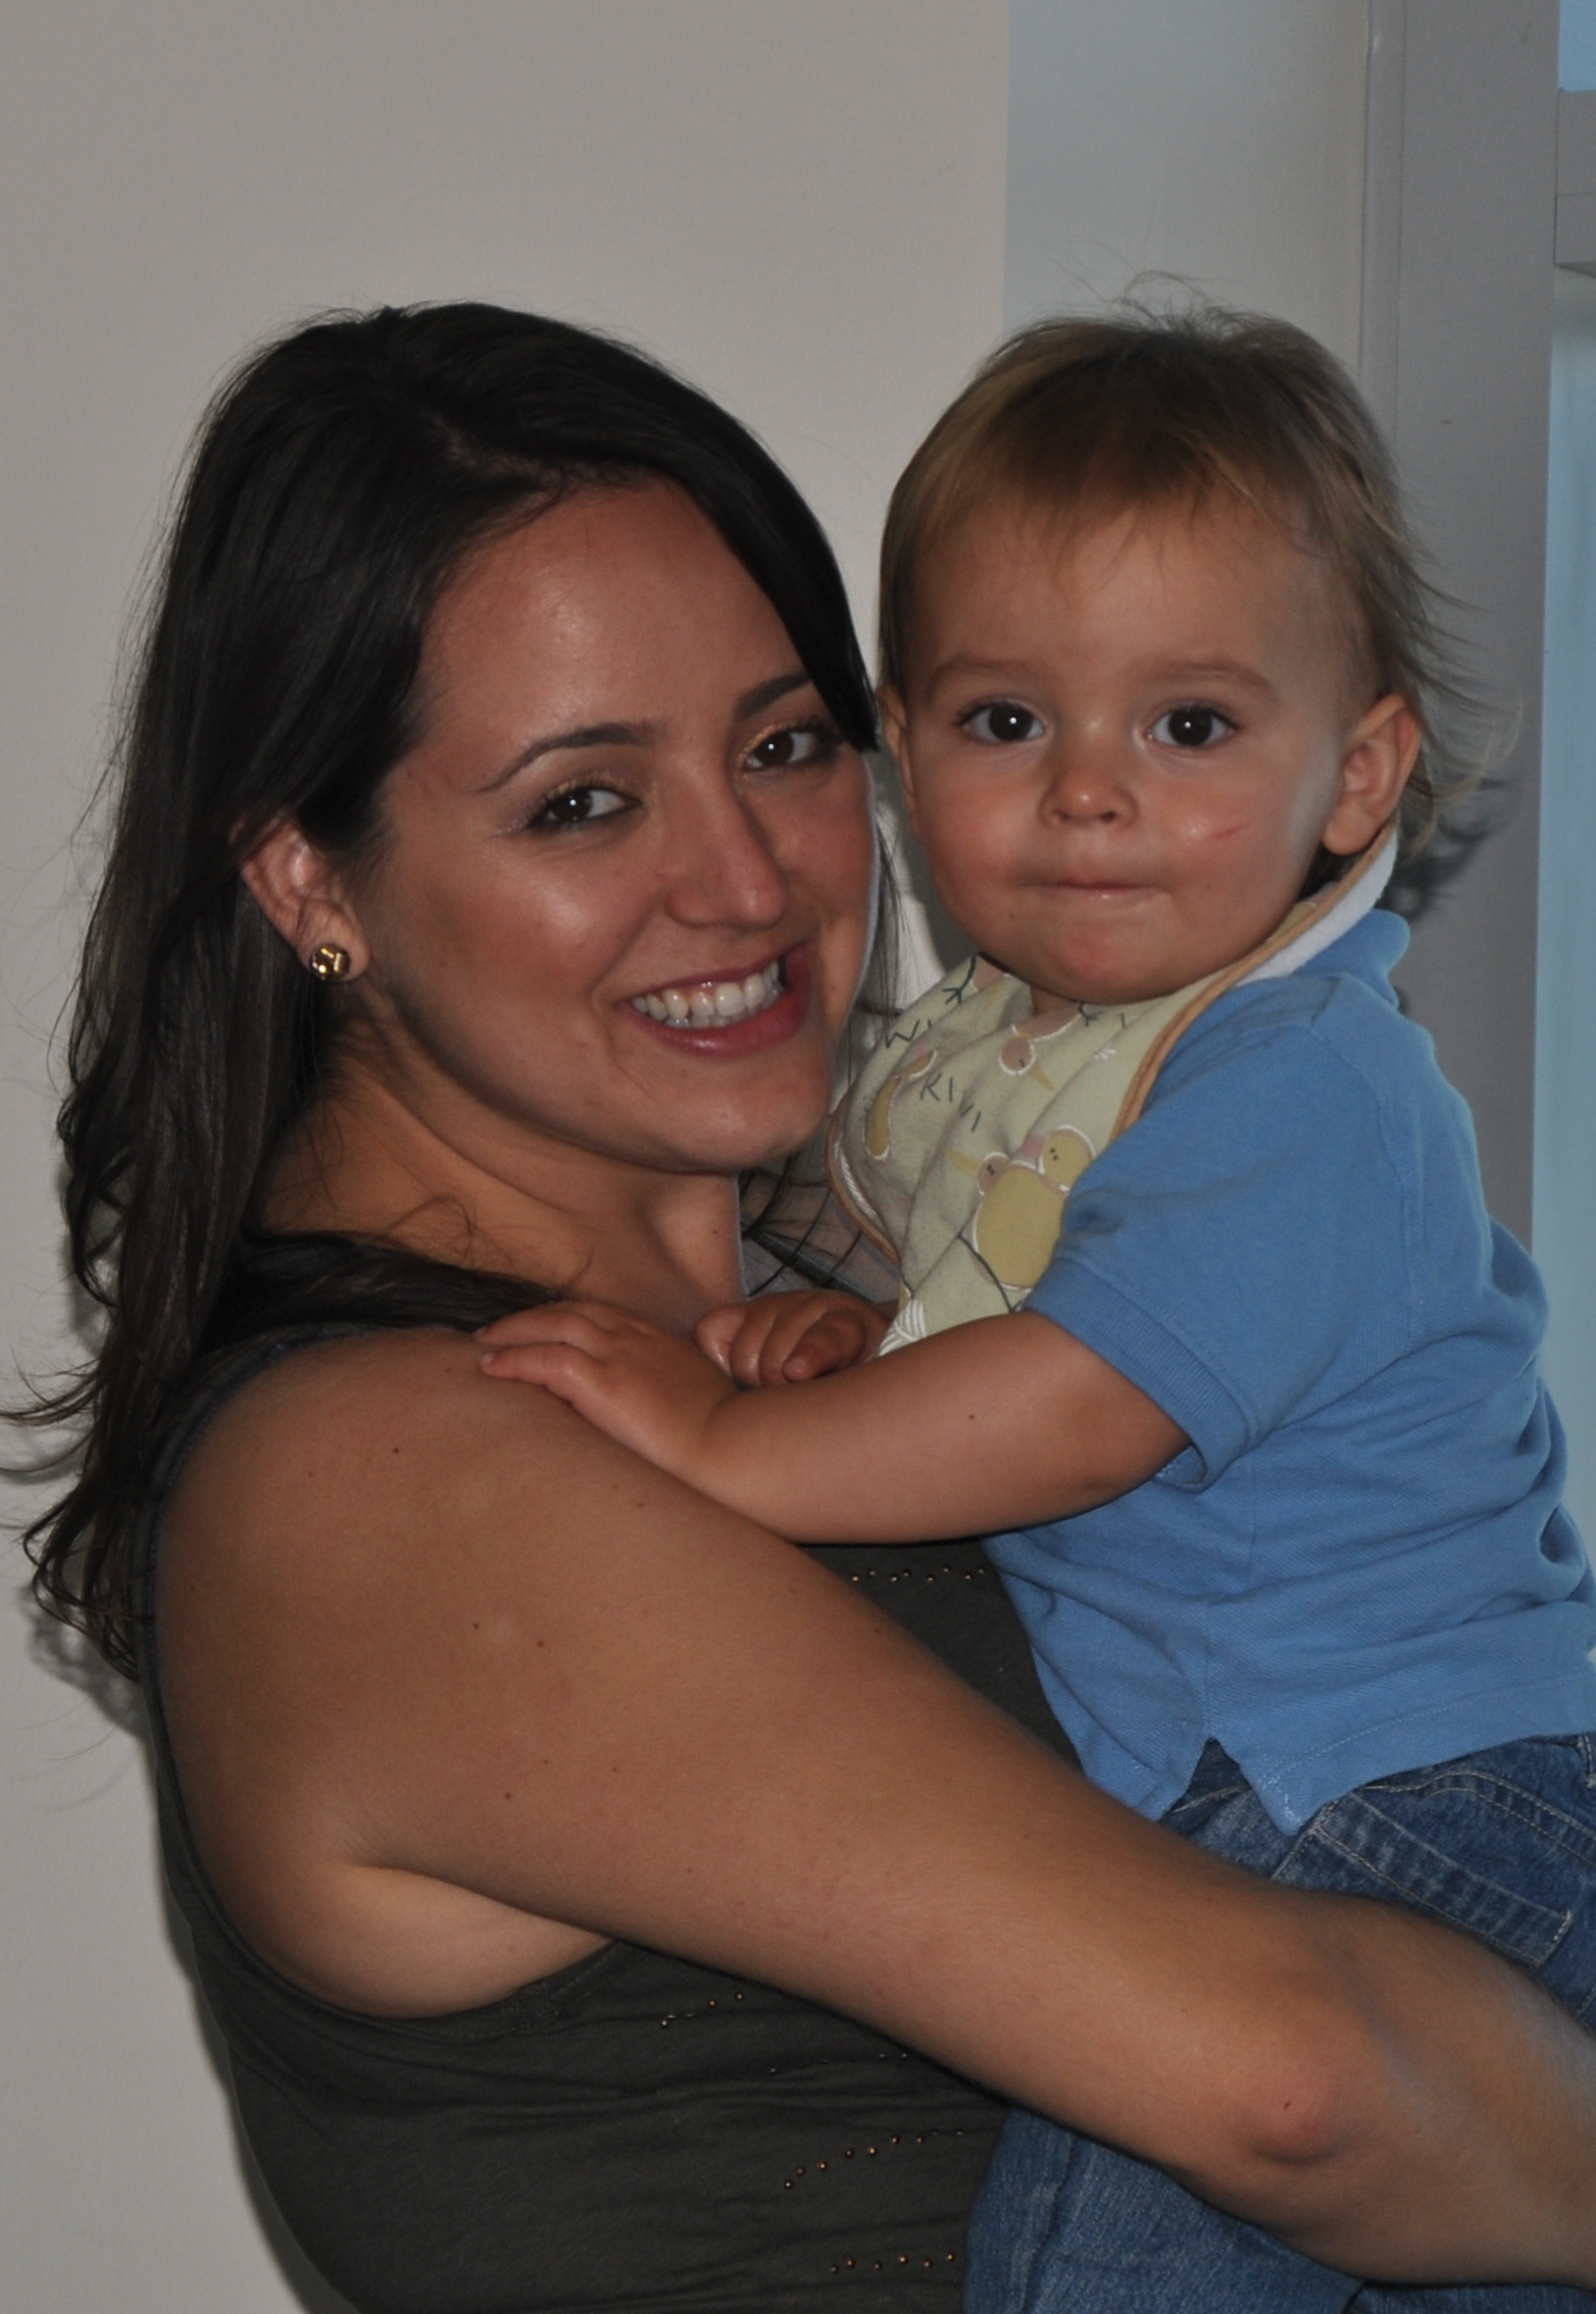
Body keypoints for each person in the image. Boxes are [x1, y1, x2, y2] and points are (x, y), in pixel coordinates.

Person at [24, 302, 1596, 2314]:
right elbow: (1303, 2087)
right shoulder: (387, 1470)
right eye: (582, 801)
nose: (746, 880)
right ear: (307, 880)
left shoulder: (900, 1273)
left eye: (781, 749)